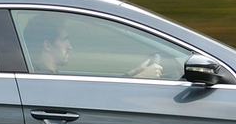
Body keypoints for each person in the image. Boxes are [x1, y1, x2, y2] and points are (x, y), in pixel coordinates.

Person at [21, 14, 163, 78]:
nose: (70, 47)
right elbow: (89, 100)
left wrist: (132, 74)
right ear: (48, 45)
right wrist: (141, 77)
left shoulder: (45, 75)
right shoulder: (43, 80)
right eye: (64, 40)